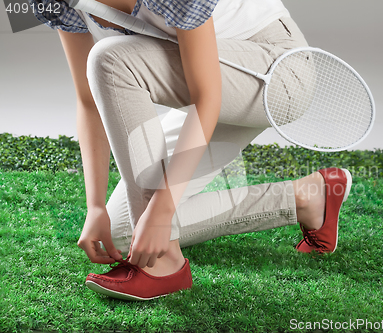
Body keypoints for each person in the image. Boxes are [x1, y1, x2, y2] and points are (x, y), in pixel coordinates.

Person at [31, 0, 352, 301]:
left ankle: (165, 266)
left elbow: (207, 99)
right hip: (213, 78)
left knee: (110, 58)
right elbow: (88, 102)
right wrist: (95, 206)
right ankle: (308, 198)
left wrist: (161, 210)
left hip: (275, 70)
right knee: (123, 232)